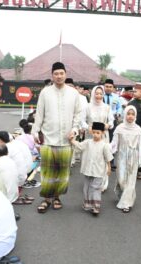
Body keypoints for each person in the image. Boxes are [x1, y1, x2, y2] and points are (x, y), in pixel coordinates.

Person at [32, 62, 81, 213]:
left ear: (65, 74)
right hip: (48, 138)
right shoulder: (45, 92)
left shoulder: (74, 93)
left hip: (66, 140)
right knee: (47, 172)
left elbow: (78, 115)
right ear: (52, 76)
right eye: (56, 74)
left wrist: (75, 129)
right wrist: (35, 131)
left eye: (61, 73)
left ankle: (57, 197)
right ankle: (47, 199)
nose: (59, 76)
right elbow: (39, 114)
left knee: (62, 172)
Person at [69, 122, 113, 215]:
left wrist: (109, 168)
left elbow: (108, 158)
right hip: (88, 170)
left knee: (96, 188)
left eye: (98, 133)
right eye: (94, 132)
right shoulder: (88, 142)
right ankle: (88, 204)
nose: (95, 135)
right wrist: (72, 141)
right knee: (87, 188)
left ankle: (96, 207)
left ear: (102, 133)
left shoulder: (104, 145)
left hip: (99, 171)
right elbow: (80, 146)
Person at [111, 106, 141, 213]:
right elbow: (114, 144)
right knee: (121, 179)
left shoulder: (138, 129)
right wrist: (106, 151)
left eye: (133, 114)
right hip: (121, 157)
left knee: (131, 180)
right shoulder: (119, 128)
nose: (130, 116)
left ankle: (127, 203)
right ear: (125, 115)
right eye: (128, 114)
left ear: (135, 116)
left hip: (133, 158)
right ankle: (123, 195)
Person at [128, 83, 141, 180]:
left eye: (136, 91)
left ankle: (139, 170)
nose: (134, 93)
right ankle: (130, 169)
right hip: (131, 129)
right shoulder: (131, 104)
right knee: (131, 148)